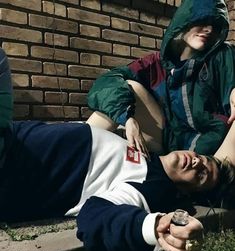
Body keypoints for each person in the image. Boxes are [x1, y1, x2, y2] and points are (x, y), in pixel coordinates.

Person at [1, 119, 235, 251]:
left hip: (13, 165)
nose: (196, 163)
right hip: (14, 132)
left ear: (188, 193)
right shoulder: (150, 155)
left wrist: (155, 226)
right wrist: (128, 117)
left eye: (202, 174)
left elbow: (95, 219)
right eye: (202, 158)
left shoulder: (153, 188)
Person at [87, 0, 235, 156]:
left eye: (215, 25)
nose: (209, 29)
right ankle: (74, 150)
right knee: (127, 87)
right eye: (203, 20)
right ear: (185, 20)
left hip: (213, 151)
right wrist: (128, 119)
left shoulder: (221, 56)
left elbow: (231, 77)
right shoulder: (156, 63)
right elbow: (107, 81)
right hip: (167, 142)